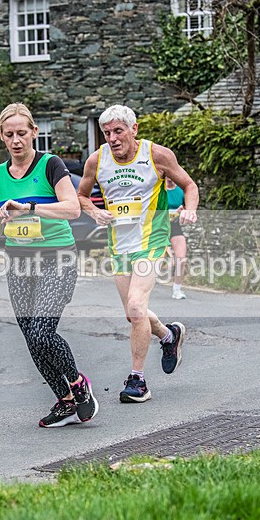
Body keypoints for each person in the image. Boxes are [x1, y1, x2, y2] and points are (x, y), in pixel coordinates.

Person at [0, 102, 98, 428]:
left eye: (22, 133)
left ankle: (77, 383)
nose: (17, 140)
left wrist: (29, 207)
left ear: (34, 132)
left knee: (43, 331)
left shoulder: (50, 165)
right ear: (2, 136)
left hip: (57, 258)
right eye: (10, 134)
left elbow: (72, 209)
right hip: (19, 263)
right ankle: (66, 401)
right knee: (31, 336)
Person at [77, 104, 199, 403]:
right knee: (134, 315)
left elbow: (189, 184)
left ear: (134, 129)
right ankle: (168, 336)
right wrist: (94, 211)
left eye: (118, 131)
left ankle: (138, 381)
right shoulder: (97, 161)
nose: (113, 138)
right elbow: (81, 195)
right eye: (107, 133)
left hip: (152, 241)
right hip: (119, 246)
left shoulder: (157, 155)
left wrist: (191, 210)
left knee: (135, 306)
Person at [165, 177, 188, 300]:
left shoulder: (180, 191)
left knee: (181, 259)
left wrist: (183, 211)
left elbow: (187, 207)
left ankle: (177, 290)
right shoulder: (159, 190)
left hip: (174, 226)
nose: (171, 178)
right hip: (159, 227)